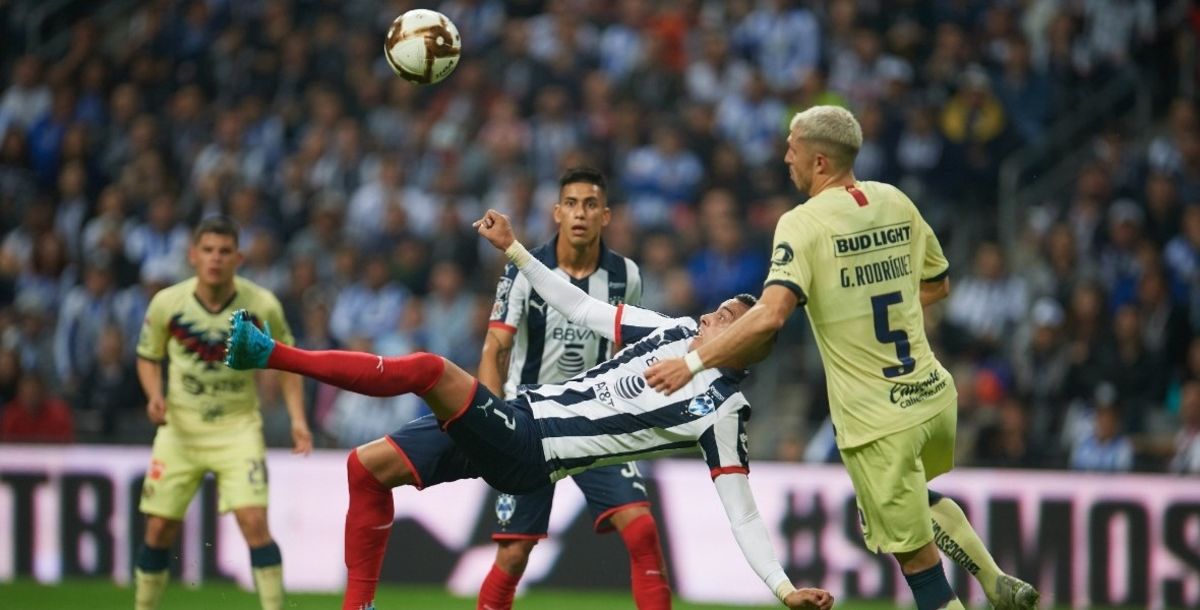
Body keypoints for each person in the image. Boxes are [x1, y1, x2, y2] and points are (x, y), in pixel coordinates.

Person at [223, 210, 834, 610]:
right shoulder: (671, 330)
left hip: (533, 449)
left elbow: (745, 515)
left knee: (431, 371)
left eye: (724, 318)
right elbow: (584, 307)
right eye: (715, 309)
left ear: (745, 342)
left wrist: (783, 590)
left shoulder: (722, 411)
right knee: (365, 468)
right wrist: (515, 248)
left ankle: (269, 353)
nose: (708, 317)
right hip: (521, 415)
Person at [644, 106, 1038, 610]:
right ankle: (995, 580)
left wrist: (691, 364)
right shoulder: (895, 200)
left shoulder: (801, 224)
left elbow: (769, 315)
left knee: (918, 566)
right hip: (933, 397)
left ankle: (985, 588)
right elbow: (937, 284)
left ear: (821, 161)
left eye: (793, 147)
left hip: (877, 419)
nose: (785, 156)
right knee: (911, 503)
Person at [477, 167, 669, 609]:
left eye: (589, 205)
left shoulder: (626, 276)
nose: (579, 213)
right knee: (514, 552)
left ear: (605, 215)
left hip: (594, 418)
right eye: (571, 204)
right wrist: (489, 424)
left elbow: (631, 350)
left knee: (641, 529)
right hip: (528, 422)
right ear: (556, 213)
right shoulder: (524, 268)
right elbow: (495, 347)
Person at [133, 216, 312, 610]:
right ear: (193, 256)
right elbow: (148, 356)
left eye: (224, 251)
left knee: (253, 522)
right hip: (180, 430)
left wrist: (298, 420)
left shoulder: (261, 305)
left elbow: (289, 363)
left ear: (239, 257)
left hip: (238, 428)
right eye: (208, 251)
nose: (215, 259)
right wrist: (153, 395)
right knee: (159, 527)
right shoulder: (167, 303)